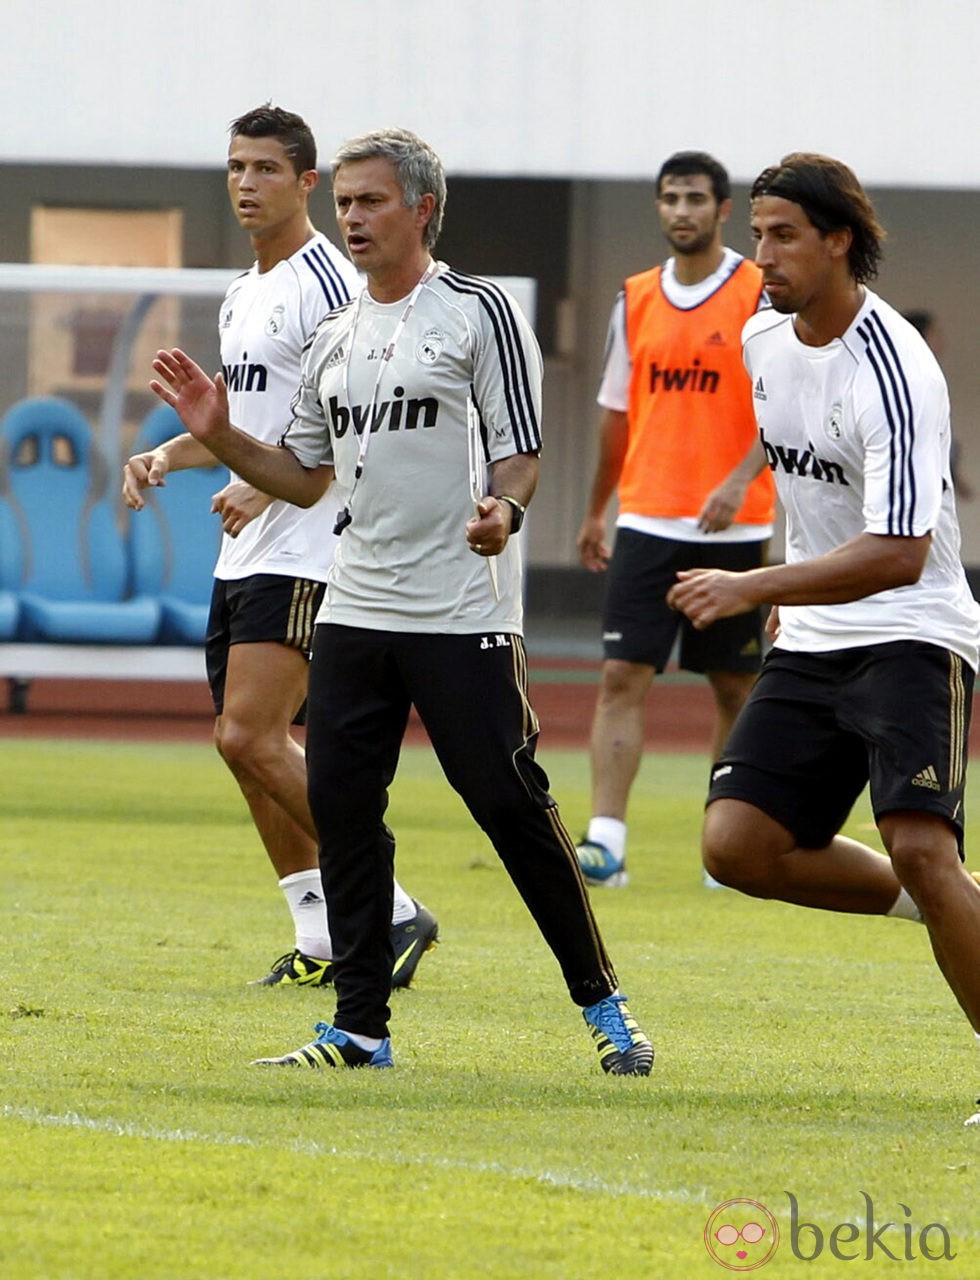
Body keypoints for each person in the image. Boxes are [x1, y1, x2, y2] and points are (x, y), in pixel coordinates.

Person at [149, 127, 654, 1075]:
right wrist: (218, 435)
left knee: (508, 805)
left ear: (422, 208)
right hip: (354, 606)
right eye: (344, 201)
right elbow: (301, 476)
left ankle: (606, 1009)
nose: (352, 218)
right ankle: (360, 1030)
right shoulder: (338, 334)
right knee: (342, 805)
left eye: (371, 201)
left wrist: (503, 507)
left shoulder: (480, 313)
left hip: (461, 610)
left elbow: (521, 452)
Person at [667, 152, 980, 1126]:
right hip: (810, 631)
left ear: (838, 239)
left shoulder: (893, 369)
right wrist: (785, 583)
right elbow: (802, 469)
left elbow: (895, 551)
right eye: (755, 233)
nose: (758, 253)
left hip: (909, 629)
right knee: (737, 845)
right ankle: (947, 907)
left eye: (780, 235)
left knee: (919, 845)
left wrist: (748, 580)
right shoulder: (764, 339)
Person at [123, 105, 437, 990]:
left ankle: (395, 905)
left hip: (311, 540)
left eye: (265, 169)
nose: (246, 184)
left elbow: (361, 413)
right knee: (242, 746)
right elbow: (243, 425)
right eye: (235, 168)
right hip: (245, 549)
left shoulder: (329, 283)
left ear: (306, 183)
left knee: (251, 734)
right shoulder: (242, 291)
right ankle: (320, 935)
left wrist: (267, 483)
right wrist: (166, 452)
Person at [575, 151, 776, 890]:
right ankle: (606, 843)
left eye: (695, 198)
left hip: (735, 529)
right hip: (648, 521)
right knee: (622, 674)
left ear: (723, 210)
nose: (682, 210)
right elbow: (615, 415)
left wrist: (738, 478)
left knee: (734, 685)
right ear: (659, 208)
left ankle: (726, 843)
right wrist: (598, 509)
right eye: (670, 198)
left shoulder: (759, 294)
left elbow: (786, 404)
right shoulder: (634, 299)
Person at [903, 309, 974, 501]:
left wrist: (955, 477)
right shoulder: (911, 379)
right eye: (936, 333)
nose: (941, 340)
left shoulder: (931, 377)